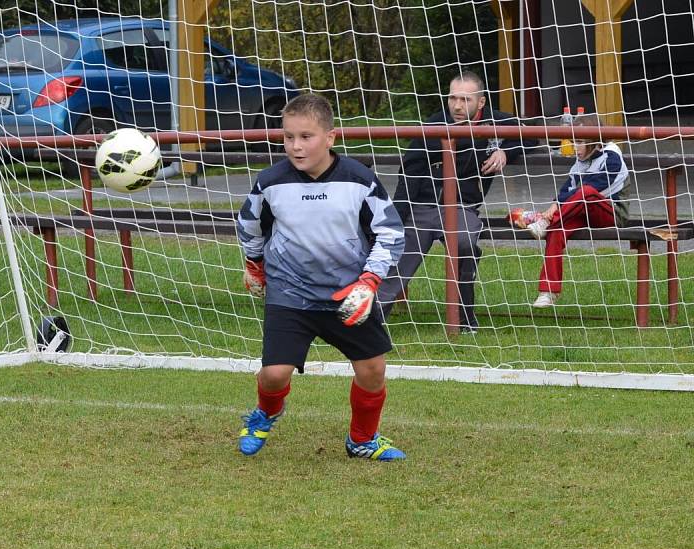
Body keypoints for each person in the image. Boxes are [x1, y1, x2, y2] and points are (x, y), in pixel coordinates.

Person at [236, 93, 406, 461]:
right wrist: (254, 266)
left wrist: (369, 282)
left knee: (373, 369)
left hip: (347, 295)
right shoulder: (270, 183)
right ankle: (266, 412)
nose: (295, 146)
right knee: (274, 375)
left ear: (330, 137)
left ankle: (362, 440)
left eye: (306, 137)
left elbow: (391, 233)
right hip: (290, 294)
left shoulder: (360, 181)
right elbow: (250, 227)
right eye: (288, 137)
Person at [376, 70, 529, 332]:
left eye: (465, 100)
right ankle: (371, 316)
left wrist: (506, 151)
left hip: (461, 208)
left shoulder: (496, 122)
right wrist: (397, 219)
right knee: (396, 255)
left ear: (481, 103)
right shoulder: (434, 126)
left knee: (464, 243)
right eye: (452, 98)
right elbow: (408, 173)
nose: (457, 106)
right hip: (421, 208)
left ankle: (464, 320)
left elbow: (531, 135)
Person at [515, 113, 629, 307]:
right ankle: (548, 291)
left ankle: (543, 221)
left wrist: (556, 208)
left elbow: (595, 185)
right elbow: (568, 187)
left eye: (580, 142)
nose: (575, 147)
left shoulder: (612, 156)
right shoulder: (581, 160)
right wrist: (554, 204)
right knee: (557, 229)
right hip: (580, 211)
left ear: (595, 142)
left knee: (587, 191)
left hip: (610, 213)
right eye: (573, 141)